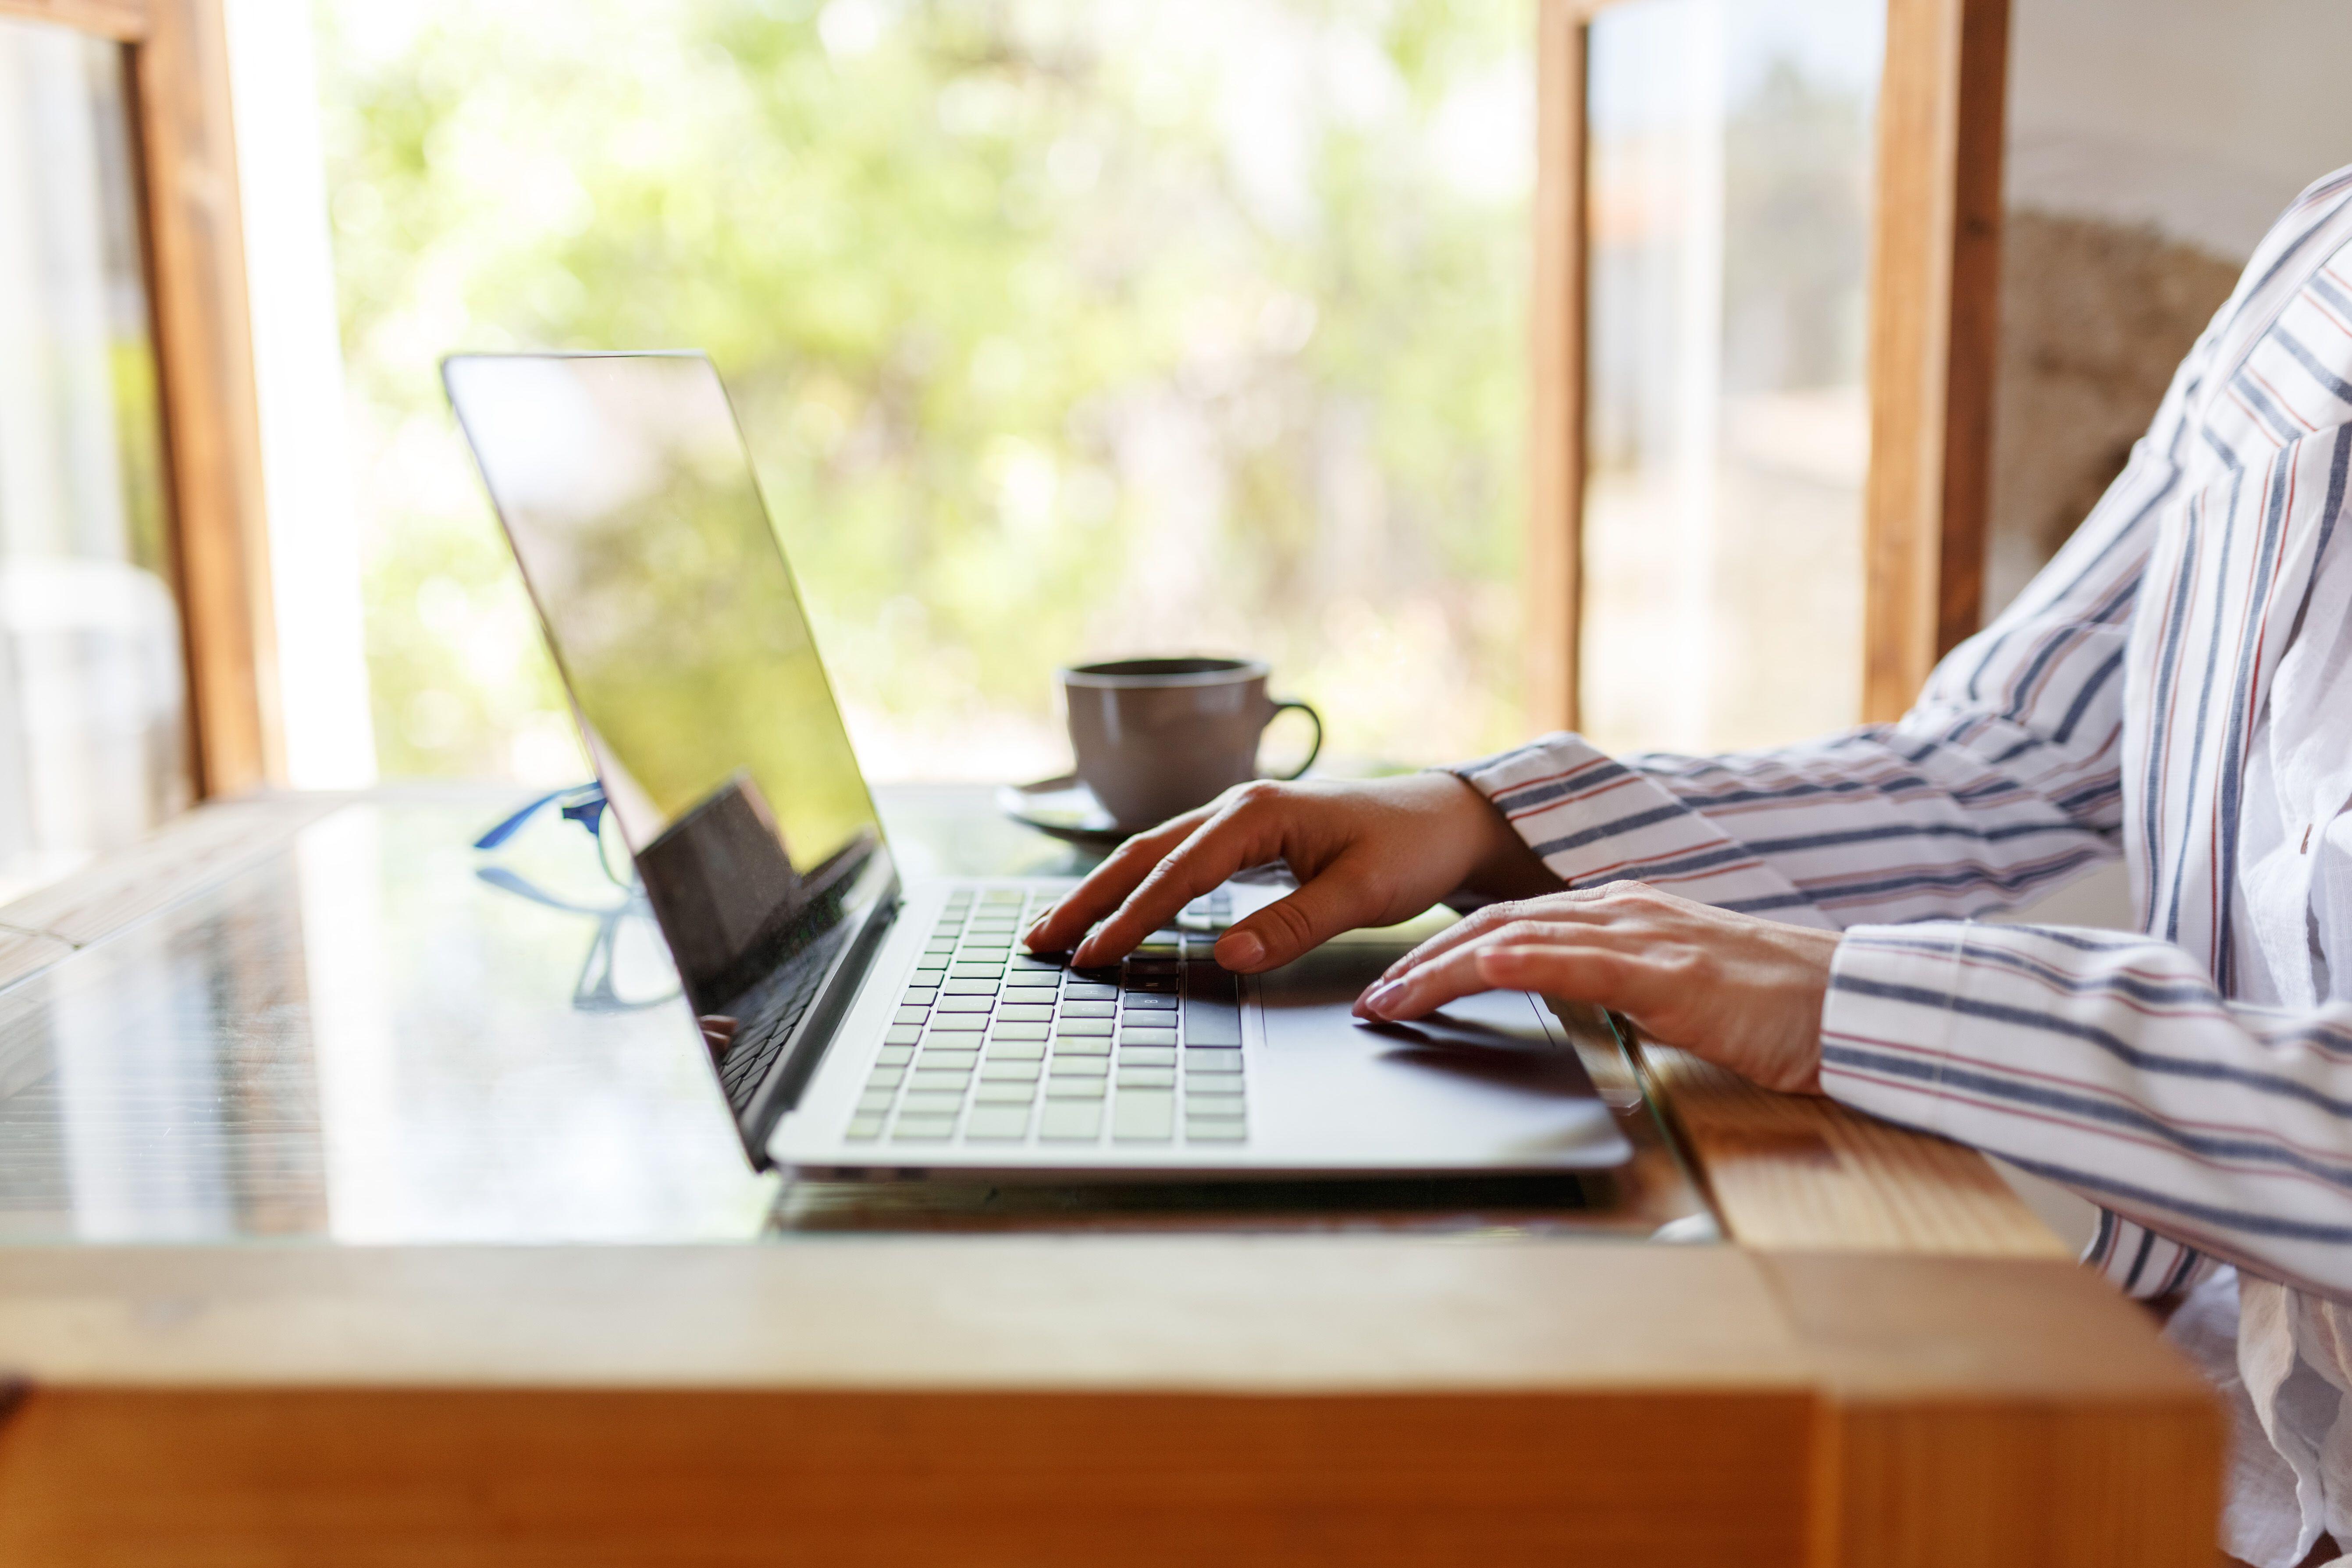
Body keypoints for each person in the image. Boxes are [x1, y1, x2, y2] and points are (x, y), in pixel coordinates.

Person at [1024, 164, 2352, 1568]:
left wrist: (1851, 998)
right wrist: (1477, 817)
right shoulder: (2320, 256)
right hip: (2230, 1419)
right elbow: (2000, 757)